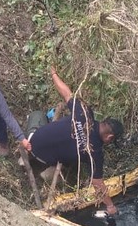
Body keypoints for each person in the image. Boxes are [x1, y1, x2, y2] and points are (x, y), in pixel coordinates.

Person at [29, 66, 123, 215]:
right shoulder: (96, 154)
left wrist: (54, 73)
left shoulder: (85, 113)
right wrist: (110, 207)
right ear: (110, 138)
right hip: (41, 158)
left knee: (37, 115)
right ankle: (43, 171)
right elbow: (97, 183)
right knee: (70, 160)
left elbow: (66, 94)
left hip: (34, 141)